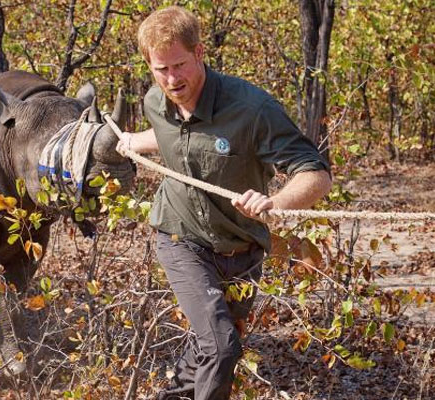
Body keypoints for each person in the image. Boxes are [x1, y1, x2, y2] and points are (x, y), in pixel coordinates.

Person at [117, 7, 332, 400]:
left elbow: (316, 172)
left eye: (179, 65)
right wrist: (132, 141)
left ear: (200, 53)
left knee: (208, 349)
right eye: (160, 69)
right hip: (181, 237)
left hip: (242, 248)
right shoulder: (154, 101)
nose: (171, 79)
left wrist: (277, 201)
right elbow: (173, 134)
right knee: (222, 346)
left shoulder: (251, 109)